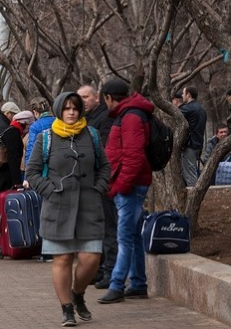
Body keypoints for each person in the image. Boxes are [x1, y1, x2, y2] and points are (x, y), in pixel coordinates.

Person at [26, 91, 110, 327]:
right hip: (57, 207)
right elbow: (31, 172)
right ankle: (66, 309)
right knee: (62, 259)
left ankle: (78, 294)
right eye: (67, 108)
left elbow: (104, 166)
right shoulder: (46, 138)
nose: (72, 112)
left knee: (91, 258)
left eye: (75, 108)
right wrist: (50, 190)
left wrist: (98, 188)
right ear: (58, 110)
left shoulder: (91, 134)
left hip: (89, 206)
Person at [97, 77, 153, 305]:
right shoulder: (131, 113)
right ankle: (138, 283)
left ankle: (117, 284)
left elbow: (133, 155)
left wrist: (120, 185)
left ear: (108, 98)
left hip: (129, 186)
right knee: (133, 236)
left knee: (124, 238)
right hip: (131, 184)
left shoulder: (130, 116)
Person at [77, 84, 116, 289]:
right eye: (79, 97)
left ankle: (109, 272)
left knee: (108, 229)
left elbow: (102, 150)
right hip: (89, 183)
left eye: (86, 96)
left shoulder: (105, 118)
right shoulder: (85, 120)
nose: (82, 100)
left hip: (102, 182)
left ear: (97, 98)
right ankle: (99, 270)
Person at [0, 106, 30, 257]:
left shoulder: (8, 131)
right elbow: (14, 160)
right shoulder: (14, 134)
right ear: (25, 124)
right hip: (1, 180)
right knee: (4, 213)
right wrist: (18, 184)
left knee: (3, 213)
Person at [180, 86, 207, 187]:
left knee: (190, 175)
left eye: (183, 93)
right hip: (197, 144)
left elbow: (172, 116)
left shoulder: (189, 108)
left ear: (189, 94)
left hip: (189, 145)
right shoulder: (202, 108)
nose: (182, 95)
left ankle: (193, 199)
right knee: (191, 172)